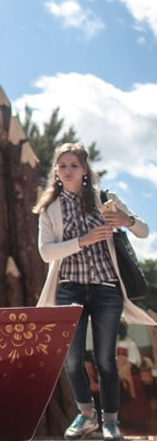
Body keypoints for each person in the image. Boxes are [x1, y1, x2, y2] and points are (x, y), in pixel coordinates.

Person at [34, 142, 155, 441]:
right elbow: (46, 253)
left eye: (74, 165)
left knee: (106, 358)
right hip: (68, 290)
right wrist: (83, 240)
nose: (68, 170)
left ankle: (111, 421)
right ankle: (86, 414)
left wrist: (126, 221)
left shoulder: (106, 199)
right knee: (72, 359)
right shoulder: (50, 208)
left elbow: (144, 231)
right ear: (56, 171)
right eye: (62, 166)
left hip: (107, 289)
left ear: (84, 170)